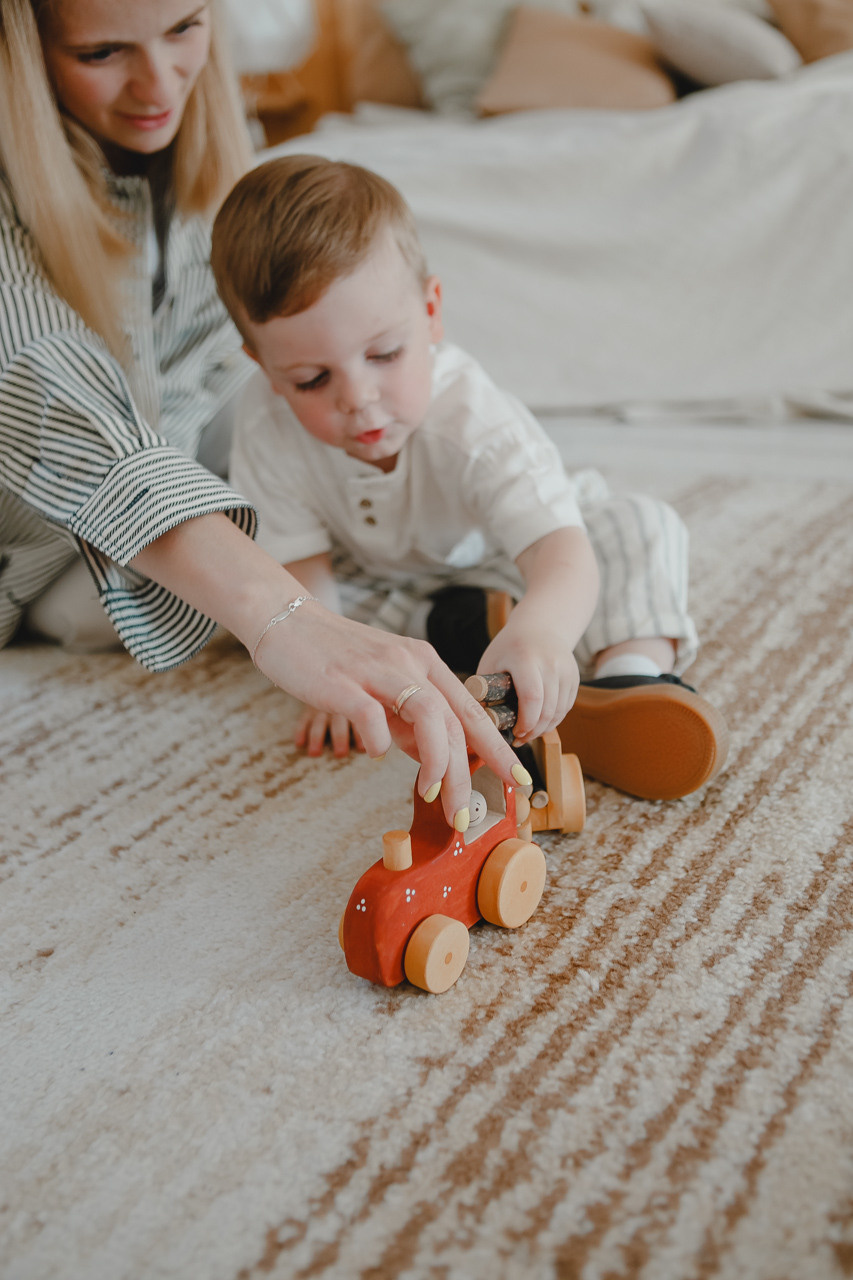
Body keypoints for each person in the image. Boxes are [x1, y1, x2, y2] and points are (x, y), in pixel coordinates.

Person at [0, 0, 530, 833]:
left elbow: (221, 367)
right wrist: (286, 615)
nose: (159, 83)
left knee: (322, 453)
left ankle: (428, 614)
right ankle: (415, 618)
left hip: (152, 474)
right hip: (34, 544)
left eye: (184, 28)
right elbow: (57, 403)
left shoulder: (203, 133)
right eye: (103, 51)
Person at [211, 154, 730, 802]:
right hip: (389, 579)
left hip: (513, 558)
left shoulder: (473, 421)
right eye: (311, 380)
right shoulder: (264, 423)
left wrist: (542, 631)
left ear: (430, 311)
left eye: (384, 355)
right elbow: (300, 572)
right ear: (260, 363)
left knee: (638, 529)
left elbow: (556, 550)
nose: (358, 398)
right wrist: (334, 674)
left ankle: (628, 677)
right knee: (276, 598)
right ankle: (460, 629)